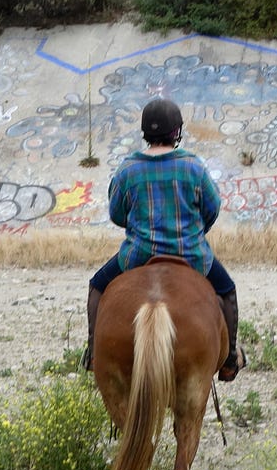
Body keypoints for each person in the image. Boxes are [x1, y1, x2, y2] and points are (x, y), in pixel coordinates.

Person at [82, 97, 245, 381]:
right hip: (192, 255)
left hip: (137, 255)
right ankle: (230, 358)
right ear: (176, 132)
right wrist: (193, 230)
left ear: (145, 132)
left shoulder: (127, 170)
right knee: (227, 290)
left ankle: (94, 353)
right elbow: (212, 208)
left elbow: (117, 214)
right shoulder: (194, 167)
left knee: (97, 286)